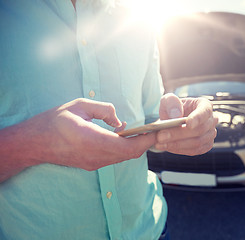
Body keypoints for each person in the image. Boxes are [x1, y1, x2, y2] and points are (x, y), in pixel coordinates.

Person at [0, 1, 217, 239]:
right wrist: (37, 144)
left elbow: (151, 114)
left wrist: (180, 121)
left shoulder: (139, 20)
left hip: (148, 229)